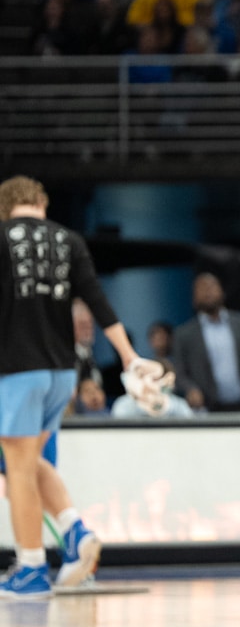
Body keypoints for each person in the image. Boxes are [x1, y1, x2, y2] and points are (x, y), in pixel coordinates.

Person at [0, 176, 153, 595]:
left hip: (16, 369)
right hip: (62, 375)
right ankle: (75, 532)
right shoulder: (68, 240)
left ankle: (30, 566)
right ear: (41, 204)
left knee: (16, 471)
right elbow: (99, 303)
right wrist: (129, 357)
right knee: (30, 463)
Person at [172, 272, 240, 412]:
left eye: (212, 286)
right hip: (209, 410)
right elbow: (180, 372)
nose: (207, 291)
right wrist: (191, 389)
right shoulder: (184, 334)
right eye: (202, 288)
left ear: (222, 291)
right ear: (193, 298)